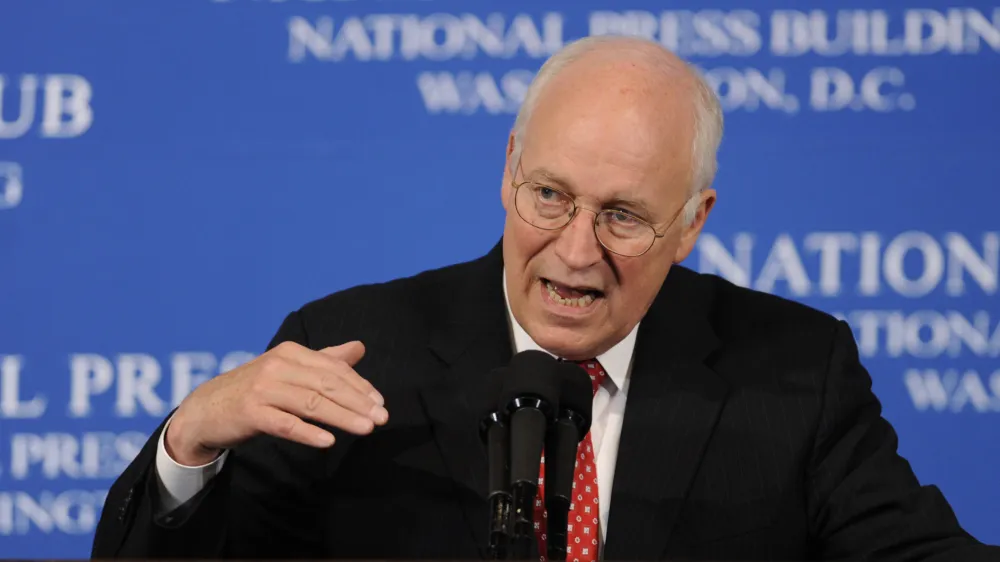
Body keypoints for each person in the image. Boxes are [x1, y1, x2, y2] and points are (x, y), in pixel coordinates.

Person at [91, 36, 999, 561]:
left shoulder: (796, 371)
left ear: (692, 225)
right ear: (508, 172)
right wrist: (188, 443)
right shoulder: (352, 350)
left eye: (624, 216)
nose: (575, 249)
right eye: (551, 196)